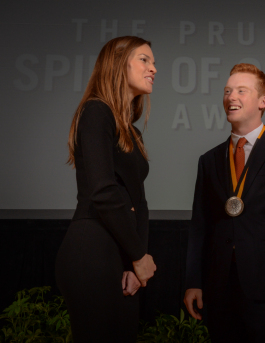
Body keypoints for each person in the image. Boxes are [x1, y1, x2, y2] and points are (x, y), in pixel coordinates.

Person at [184, 63, 265, 342]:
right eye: (227, 91)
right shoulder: (208, 160)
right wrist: (193, 283)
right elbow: (200, 226)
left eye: (241, 90)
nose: (231, 96)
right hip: (218, 288)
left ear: (263, 101)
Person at [55, 36, 157, 343]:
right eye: (144, 60)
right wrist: (139, 256)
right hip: (92, 250)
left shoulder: (133, 131)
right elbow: (103, 191)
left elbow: (137, 198)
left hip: (119, 254)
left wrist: (132, 263)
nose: (153, 68)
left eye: (153, 62)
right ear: (117, 64)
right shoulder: (96, 111)